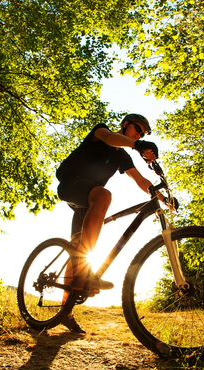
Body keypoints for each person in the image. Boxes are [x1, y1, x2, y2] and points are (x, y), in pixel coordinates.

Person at [55, 113, 168, 333]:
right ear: (125, 124)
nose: (139, 134)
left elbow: (140, 180)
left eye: (143, 133)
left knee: (77, 253)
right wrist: (138, 144)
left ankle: (65, 312)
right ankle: (85, 274)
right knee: (104, 196)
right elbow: (110, 138)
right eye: (137, 129)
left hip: (89, 200)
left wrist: (162, 197)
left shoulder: (122, 157)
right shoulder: (102, 132)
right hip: (70, 184)